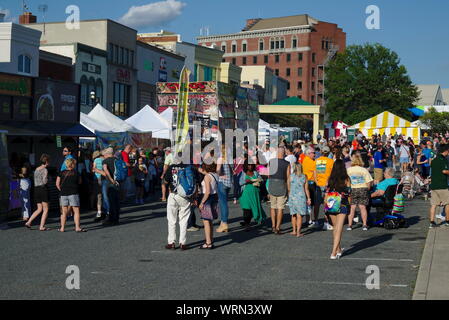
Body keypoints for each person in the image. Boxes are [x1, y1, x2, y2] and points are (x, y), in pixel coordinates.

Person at [164, 154, 197, 250]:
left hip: (174, 195)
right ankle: (183, 242)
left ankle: (172, 242)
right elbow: (196, 182)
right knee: (184, 220)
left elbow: (165, 181)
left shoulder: (171, 167)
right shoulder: (190, 168)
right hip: (186, 197)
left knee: (171, 219)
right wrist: (194, 197)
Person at [324, 159, 351, 259]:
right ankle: (333, 252)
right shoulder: (346, 179)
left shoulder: (330, 178)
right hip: (342, 204)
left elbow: (326, 193)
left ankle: (338, 249)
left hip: (331, 204)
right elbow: (349, 193)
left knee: (335, 229)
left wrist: (325, 207)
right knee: (339, 229)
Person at [56, 158, 85, 232]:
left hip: (63, 194)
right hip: (74, 193)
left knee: (64, 212)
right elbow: (80, 182)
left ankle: (62, 228)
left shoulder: (61, 173)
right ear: (72, 164)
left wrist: (61, 190)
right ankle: (77, 227)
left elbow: (57, 184)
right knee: (76, 211)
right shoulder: (76, 173)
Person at [267, 147, 291, 234]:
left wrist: (268, 188)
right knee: (280, 208)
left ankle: (273, 226)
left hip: (272, 184)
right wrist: (289, 190)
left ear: (277, 153)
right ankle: (277, 227)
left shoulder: (271, 161)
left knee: (273, 207)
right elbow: (288, 177)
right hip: (282, 185)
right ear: (284, 153)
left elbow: (269, 175)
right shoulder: (287, 163)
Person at [347, 154, 373, 231]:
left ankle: (350, 225)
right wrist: (367, 189)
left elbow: (347, 181)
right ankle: (364, 225)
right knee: (363, 207)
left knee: (352, 208)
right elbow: (369, 181)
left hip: (353, 189)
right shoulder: (364, 170)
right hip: (363, 188)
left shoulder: (349, 170)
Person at [25, 154, 51, 231]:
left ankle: (29, 222)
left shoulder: (36, 169)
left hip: (36, 189)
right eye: (49, 161)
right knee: (45, 209)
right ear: (46, 162)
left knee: (39, 209)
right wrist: (48, 179)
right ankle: (42, 226)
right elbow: (44, 181)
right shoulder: (45, 170)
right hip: (43, 189)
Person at [239, 163, 266, 230]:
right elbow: (240, 183)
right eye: (248, 165)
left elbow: (261, 180)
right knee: (246, 209)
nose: (250, 166)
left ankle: (247, 222)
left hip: (255, 194)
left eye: (251, 165)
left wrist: (259, 181)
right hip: (246, 194)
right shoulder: (243, 173)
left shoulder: (255, 173)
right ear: (246, 165)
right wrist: (246, 181)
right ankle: (247, 225)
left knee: (252, 209)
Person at [198, 164, 220, 249]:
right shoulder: (215, 175)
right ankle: (211, 239)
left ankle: (208, 242)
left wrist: (202, 202)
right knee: (210, 221)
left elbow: (207, 191)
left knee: (206, 222)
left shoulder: (207, 176)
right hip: (214, 197)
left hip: (207, 198)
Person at [287, 163, 311, 237]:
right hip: (301, 197)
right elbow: (306, 189)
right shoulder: (304, 176)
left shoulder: (290, 177)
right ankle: (298, 232)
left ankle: (294, 231)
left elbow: (288, 188)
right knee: (299, 216)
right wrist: (309, 198)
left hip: (292, 197)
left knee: (293, 215)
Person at [428, 144, 449, 229]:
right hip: (442, 185)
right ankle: (448, 221)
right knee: (447, 204)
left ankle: (432, 222)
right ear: (446, 151)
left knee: (433, 205)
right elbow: (444, 171)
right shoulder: (443, 160)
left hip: (434, 185)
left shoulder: (434, 160)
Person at [314, 145, 334, 230]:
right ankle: (326, 222)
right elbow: (332, 174)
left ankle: (316, 221)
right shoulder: (331, 161)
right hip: (327, 185)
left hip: (318, 184)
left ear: (321, 152)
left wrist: (316, 182)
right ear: (329, 152)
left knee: (317, 204)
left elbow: (314, 173)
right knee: (327, 204)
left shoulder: (316, 161)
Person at [102, 148, 121, 226]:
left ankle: (112, 219)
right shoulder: (117, 159)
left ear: (107, 153)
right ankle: (116, 218)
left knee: (111, 201)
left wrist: (111, 179)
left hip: (110, 183)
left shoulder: (105, 161)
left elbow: (106, 170)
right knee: (116, 201)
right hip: (118, 182)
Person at [216, 148, 233, 233]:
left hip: (222, 182)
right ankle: (223, 223)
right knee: (224, 203)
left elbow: (218, 169)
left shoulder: (220, 158)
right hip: (229, 183)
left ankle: (224, 223)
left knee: (222, 204)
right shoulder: (229, 159)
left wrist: (220, 175)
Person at [302, 147, 316, 225]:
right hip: (310, 183)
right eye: (313, 153)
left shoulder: (305, 160)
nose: (314, 154)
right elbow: (315, 172)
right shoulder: (311, 162)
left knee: (307, 202)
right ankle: (310, 219)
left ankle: (308, 219)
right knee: (310, 202)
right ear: (308, 154)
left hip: (305, 183)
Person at [91, 151, 104, 221]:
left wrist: (95, 170)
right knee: (103, 194)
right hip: (103, 177)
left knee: (98, 195)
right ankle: (104, 210)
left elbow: (93, 169)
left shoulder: (96, 160)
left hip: (97, 178)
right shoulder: (103, 159)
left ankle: (99, 212)